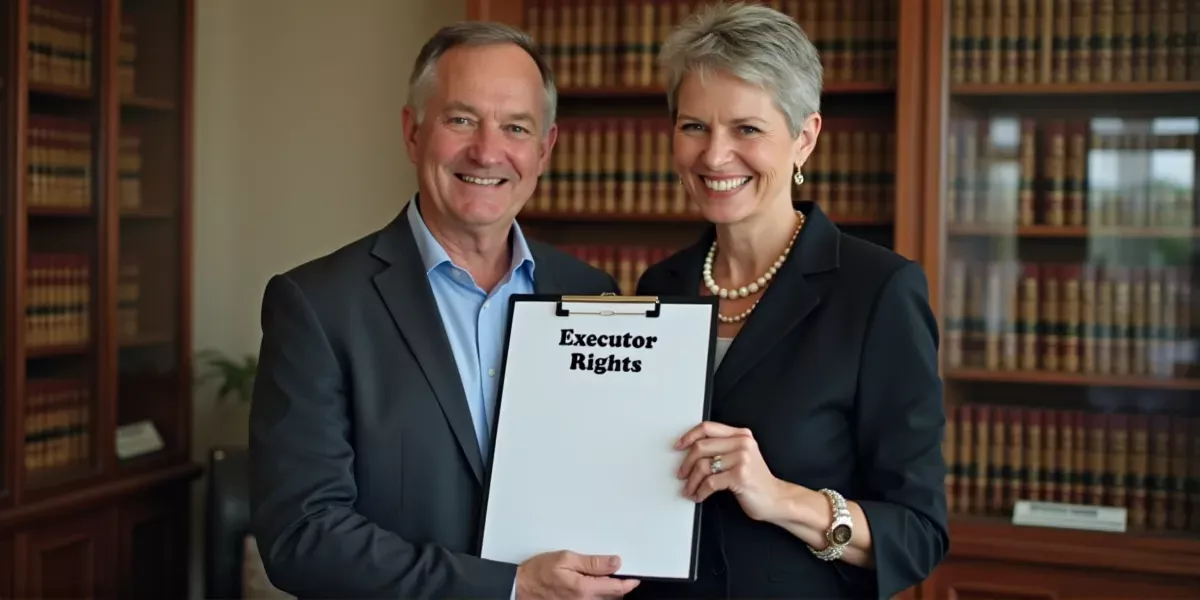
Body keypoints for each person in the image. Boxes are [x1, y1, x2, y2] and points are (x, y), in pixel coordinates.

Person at [248, 22, 641, 600]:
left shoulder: (592, 296)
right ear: (413, 132)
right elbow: (302, 538)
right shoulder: (317, 306)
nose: (487, 150)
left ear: (544, 149)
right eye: (461, 120)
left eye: (515, 127)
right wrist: (508, 588)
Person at [632, 3, 949, 598]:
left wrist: (780, 498)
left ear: (804, 138)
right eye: (694, 126)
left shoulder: (878, 292)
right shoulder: (659, 286)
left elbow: (917, 531)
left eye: (746, 129)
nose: (714, 156)